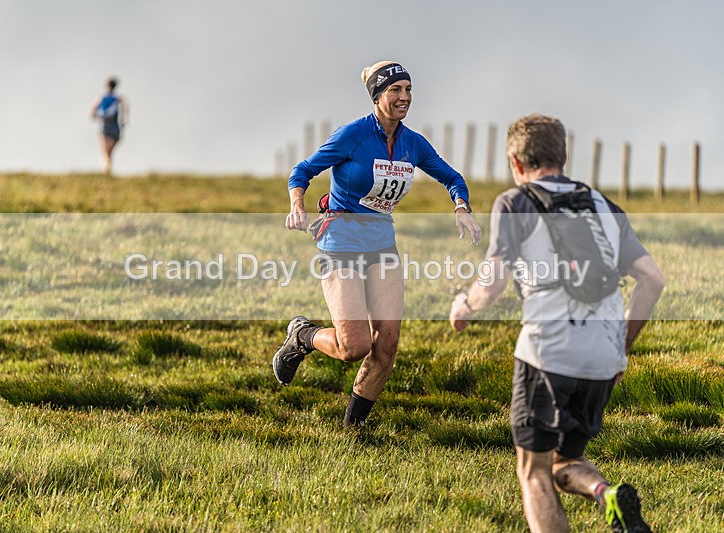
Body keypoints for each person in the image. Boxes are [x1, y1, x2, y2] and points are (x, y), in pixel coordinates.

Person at [449, 114, 664, 532]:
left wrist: (464, 305)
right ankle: (607, 495)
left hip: (548, 353)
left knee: (533, 473)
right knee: (566, 461)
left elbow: (492, 285)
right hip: (603, 355)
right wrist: (620, 346)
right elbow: (653, 279)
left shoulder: (516, 202)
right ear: (564, 156)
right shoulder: (603, 205)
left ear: (515, 162)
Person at [273, 60, 482, 428]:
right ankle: (302, 335)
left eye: (409, 90)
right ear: (377, 96)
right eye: (395, 91)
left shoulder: (412, 144)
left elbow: (452, 177)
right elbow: (301, 171)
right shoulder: (352, 135)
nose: (405, 98)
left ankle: (353, 429)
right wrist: (297, 206)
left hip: (382, 246)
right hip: (340, 244)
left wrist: (461, 206)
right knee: (354, 347)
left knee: (386, 346)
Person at [90, 77, 127, 174]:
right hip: (115, 128)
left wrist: (98, 116)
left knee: (105, 152)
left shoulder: (101, 98)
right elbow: (125, 107)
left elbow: (92, 113)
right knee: (109, 152)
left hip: (105, 128)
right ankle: (107, 170)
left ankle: (106, 171)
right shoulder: (118, 98)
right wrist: (123, 120)